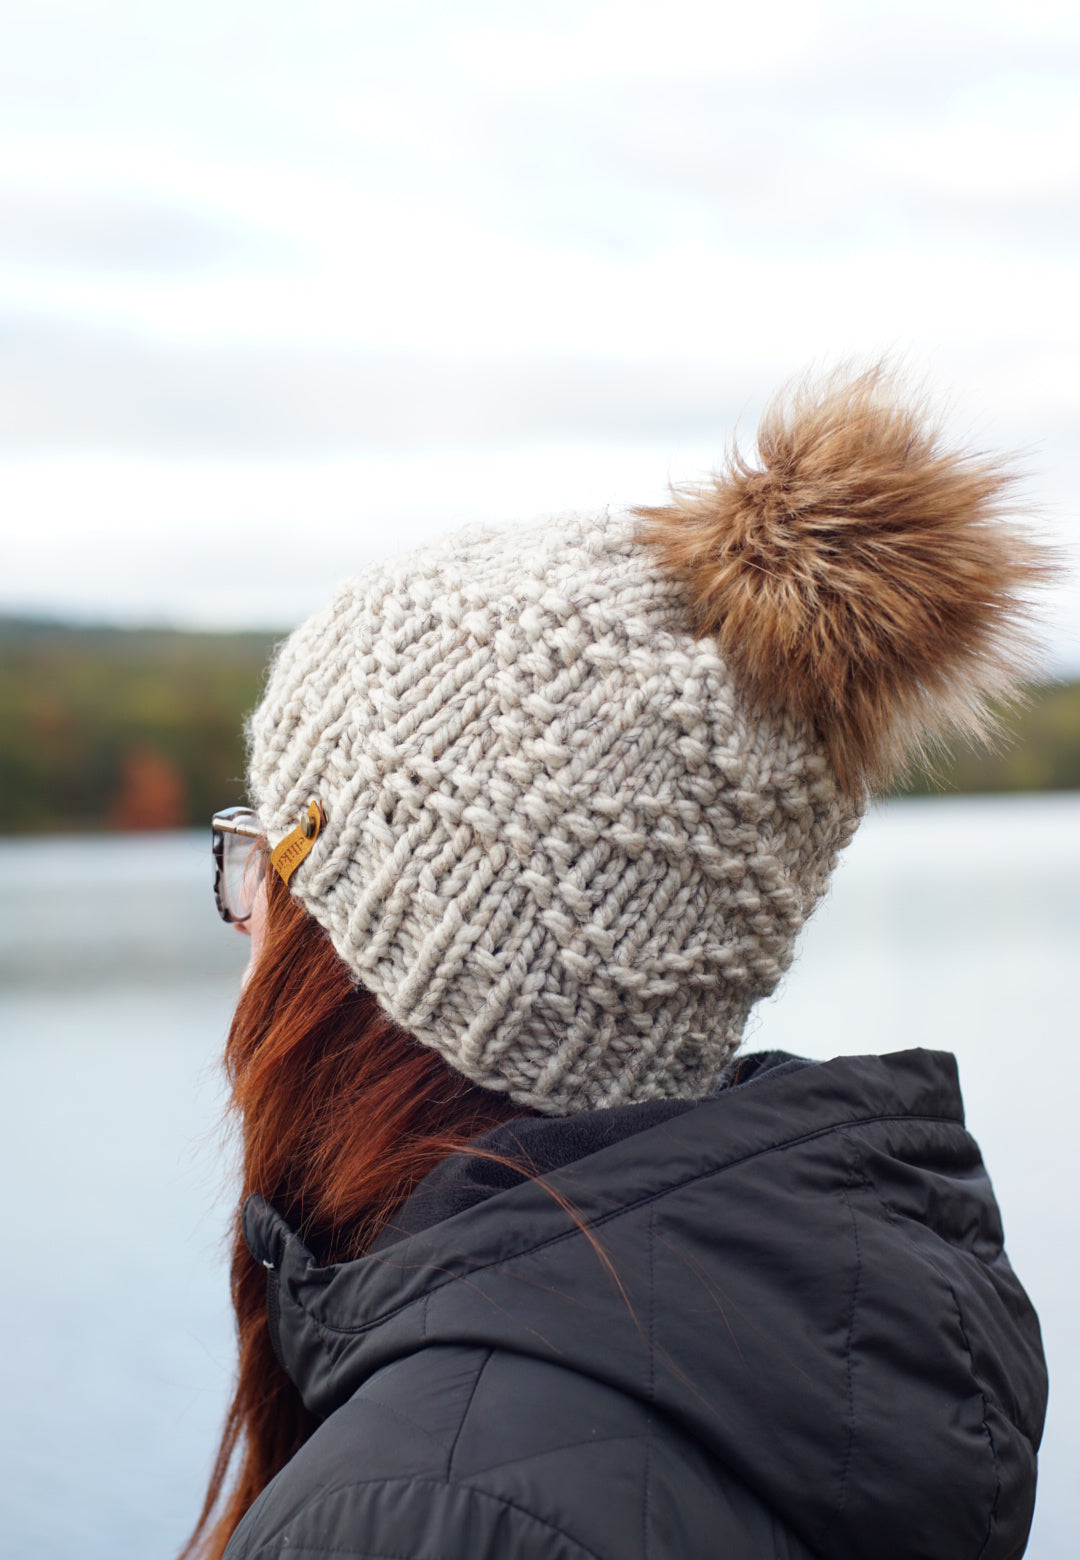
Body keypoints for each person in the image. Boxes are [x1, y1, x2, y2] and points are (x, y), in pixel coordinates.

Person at [189, 369, 1051, 1560]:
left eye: (263, 869)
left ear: (380, 976)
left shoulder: (428, 1509)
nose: (248, 934)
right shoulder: (809, 1370)